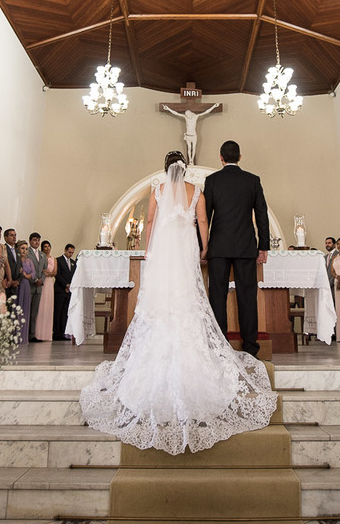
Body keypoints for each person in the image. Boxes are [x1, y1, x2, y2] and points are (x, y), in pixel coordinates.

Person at [80, 150, 278, 454]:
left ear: (165, 169)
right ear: (184, 169)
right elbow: (202, 222)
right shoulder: (196, 190)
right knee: (191, 299)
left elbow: (149, 222)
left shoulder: (157, 190)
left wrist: (149, 250)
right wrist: (203, 249)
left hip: (163, 254)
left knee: (160, 303)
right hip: (186, 252)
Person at [202, 140, 269, 357]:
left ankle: (220, 346)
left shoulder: (212, 181)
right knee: (247, 296)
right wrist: (263, 246)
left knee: (217, 296)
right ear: (240, 157)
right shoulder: (252, 180)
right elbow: (261, 215)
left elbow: (205, 217)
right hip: (245, 245)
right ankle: (250, 346)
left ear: (221, 158)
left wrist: (203, 247)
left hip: (219, 247)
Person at [53, 243, 78, 340]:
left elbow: (74, 275)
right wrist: (65, 285)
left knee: (65, 312)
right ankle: (56, 333)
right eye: (69, 252)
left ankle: (63, 332)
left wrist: (70, 285)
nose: (70, 254)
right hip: (60, 289)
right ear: (65, 250)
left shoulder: (73, 262)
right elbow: (57, 274)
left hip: (69, 291)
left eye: (72, 253)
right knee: (58, 312)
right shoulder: (58, 260)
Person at [34, 240, 57, 341]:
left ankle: (47, 333)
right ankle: (38, 333)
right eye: (45, 246)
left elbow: (55, 272)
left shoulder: (53, 259)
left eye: (48, 246)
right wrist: (44, 273)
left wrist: (49, 273)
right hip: (42, 281)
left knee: (48, 306)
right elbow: (40, 269)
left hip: (49, 282)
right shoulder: (40, 257)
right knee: (41, 306)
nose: (47, 248)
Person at [16, 241, 35, 344]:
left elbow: (33, 273)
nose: (24, 250)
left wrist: (26, 275)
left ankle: (23, 336)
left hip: (26, 284)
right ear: (18, 249)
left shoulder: (29, 261)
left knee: (25, 309)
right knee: (17, 307)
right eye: (22, 248)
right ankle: (16, 335)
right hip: (19, 284)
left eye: (26, 248)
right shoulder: (17, 259)